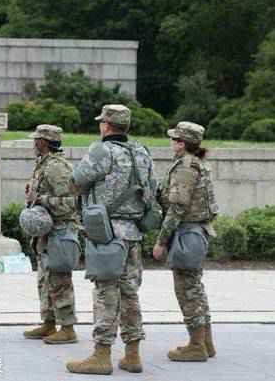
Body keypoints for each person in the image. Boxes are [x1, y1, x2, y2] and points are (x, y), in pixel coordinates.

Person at [66, 104, 156, 375]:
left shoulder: (101, 150)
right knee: (130, 293)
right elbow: (153, 190)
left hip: (106, 233)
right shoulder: (142, 152)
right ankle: (132, 354)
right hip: (134, 233)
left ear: (106, 125)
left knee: (105, 292)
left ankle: (101, 354)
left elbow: (75, 183)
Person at [153, 121, 218, 362]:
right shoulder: (197, 164)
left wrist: (161, 241)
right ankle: (206, 342)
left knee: (186, 290)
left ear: (181, 143)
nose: (171, 143)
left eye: (174, 139)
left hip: (186, 234)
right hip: (196, 232)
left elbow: (177, 207)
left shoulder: (185, 167)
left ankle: (196, 346)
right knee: (195, 288)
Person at [22, 125, 79, 345]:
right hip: (48, 233)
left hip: (60, 231)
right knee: (46, 278)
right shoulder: (44, 164)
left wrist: (41, 200)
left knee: (59, 279)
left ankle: (67, 327)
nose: (34, 144)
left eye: (36, 140)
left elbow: (70, 203)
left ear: (44, 142)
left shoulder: (56, 167)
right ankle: (49, 322)